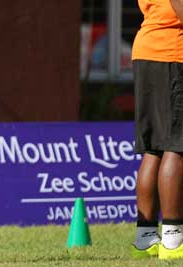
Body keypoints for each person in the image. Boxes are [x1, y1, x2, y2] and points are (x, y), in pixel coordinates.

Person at [131, 0, 183, 260]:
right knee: (177, 145)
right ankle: (174, 240)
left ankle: (146, 238)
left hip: (147, 51)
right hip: (173, 54)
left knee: (154, 148)